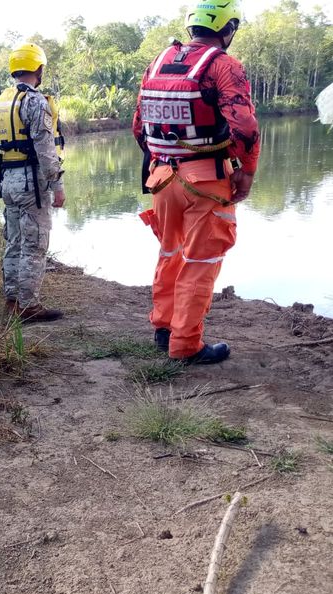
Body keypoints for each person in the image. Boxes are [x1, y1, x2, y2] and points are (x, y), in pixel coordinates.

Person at [133, 0, 260, 365]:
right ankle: (186, 345)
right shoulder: (223, 66)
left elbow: (139, 127)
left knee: (170, 253)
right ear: (228, 29)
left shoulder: (157, 63)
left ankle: (164, 329)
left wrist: (163, 158)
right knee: (200, 262)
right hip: (205, 180)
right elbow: (245, 127)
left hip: (162, 178)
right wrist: (246, 172)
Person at [0, 43, 66, 323]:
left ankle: (12, 299)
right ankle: (28, 306)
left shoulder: (1, 101)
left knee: (14, 242)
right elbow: (46, 149)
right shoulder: (35, 101)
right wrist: (57, 185)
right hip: (31, 182)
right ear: (38, 68)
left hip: (7, 179)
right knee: (34, 245)